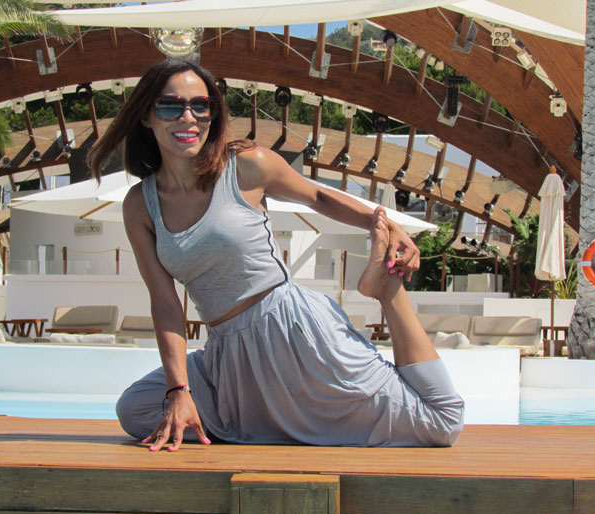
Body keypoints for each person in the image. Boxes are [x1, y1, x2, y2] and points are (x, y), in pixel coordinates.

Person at [88, 59, 464, 451]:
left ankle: (388, 292)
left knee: (440, 423)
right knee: (135, 409)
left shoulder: (245, 166)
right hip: (227, 352)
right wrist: (178, 390)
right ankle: (267, 417)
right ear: (146, 116)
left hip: (291, 333)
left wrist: (381, 222)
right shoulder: (140, 205)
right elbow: (166, 304)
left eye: (201, 106)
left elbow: (317, 196)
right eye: (170, 106)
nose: (188, 117)